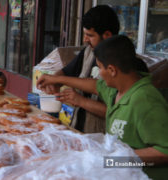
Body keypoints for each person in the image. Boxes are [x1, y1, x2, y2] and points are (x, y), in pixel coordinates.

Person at [37, 35, 168, 180]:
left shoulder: (145, 100)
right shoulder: (116, 89)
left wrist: (113, 160)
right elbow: (94, 85)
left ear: (112, 70)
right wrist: (57, 79)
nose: (99, 74)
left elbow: (164, 152)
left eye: (99, 68)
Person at [41, 5, 120, 133]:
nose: (85, 40)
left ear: (107, 35)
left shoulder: (120, 63)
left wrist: (81, 101)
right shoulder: (88, 51)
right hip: (79, 131)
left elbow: (117, 112)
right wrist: (55, 81)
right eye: (84, 34)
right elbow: (67, 72)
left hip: (101, 138)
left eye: (90, 35)